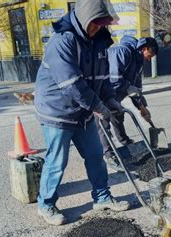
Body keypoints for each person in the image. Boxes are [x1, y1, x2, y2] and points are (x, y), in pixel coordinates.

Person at [33, 0, 130, 225]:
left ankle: (102, 197)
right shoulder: (63, 41)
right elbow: (72, 84)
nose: (97, 29)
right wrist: (98, 107)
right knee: (57, 161)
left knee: (96, 155)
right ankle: (45, 204)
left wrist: (111, 100)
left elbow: (102, 79)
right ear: (84, 19)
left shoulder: (99, 43)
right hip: (58, 110)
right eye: (94, 24)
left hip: (82, 110)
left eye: (100, 25)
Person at [100, 36, 159, 171]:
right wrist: (128, 87)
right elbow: (114, 78)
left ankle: (125, 142)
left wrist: (142, 106)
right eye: (150, 55)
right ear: (144, 49)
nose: (150, 59)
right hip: (104, 93)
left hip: (116, 95)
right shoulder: (122, 52)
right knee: (104, 122)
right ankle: (109, 154)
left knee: (118, 115)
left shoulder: (138, 61)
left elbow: (136, 85)